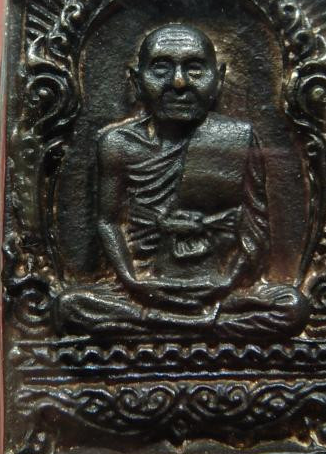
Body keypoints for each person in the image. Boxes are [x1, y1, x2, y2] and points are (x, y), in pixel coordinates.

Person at [57, 24, 309, 339]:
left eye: (195, 69)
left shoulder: (235, 138)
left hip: (217, 285)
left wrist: (226, 282)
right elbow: (108, 221)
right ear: (136, 79)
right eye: (161, 69)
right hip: (144, 286)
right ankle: (198, 325)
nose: (178, 83)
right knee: (70, 307)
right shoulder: (118, 143)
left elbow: (254, 227)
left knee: (292, 307)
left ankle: (160, 324)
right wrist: (134, 282)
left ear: (219, 78)